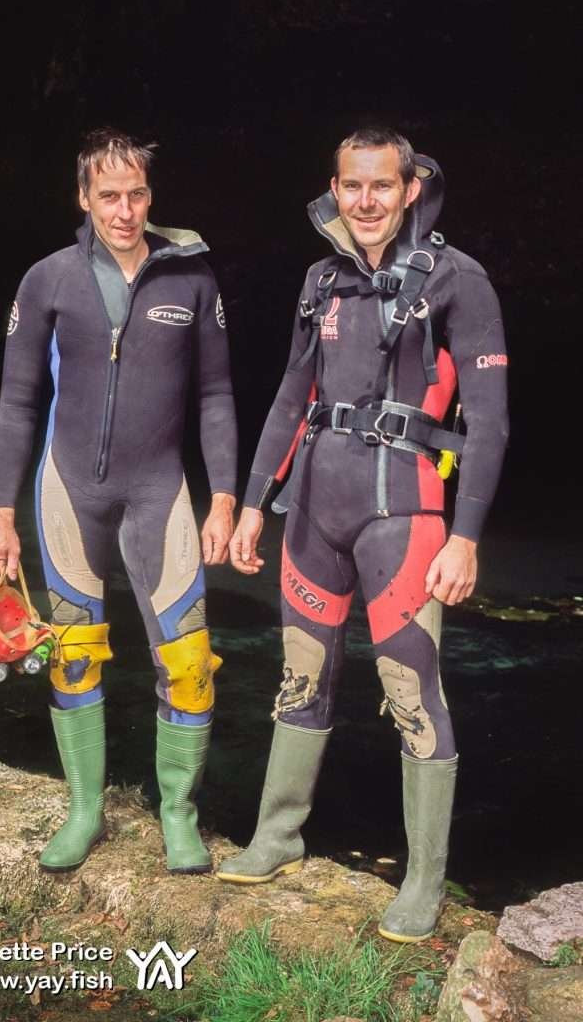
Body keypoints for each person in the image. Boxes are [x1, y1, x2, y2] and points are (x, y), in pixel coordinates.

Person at [216, 128, 508, 943]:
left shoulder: (459, 280)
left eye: (383, 185)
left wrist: (467, 537)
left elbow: (488, 426)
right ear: (334, 188)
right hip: (313, 511)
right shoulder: (320, 279)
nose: (367, 201)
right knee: (299, 681)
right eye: (353, 186)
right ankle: (277, 835)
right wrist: (251, 503)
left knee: (413, 697)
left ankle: (423, 880)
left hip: (406, 520)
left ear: (411, 187)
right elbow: (287, 397)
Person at [0, 128, 237, 875]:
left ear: (151, 197)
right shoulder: (48, 280)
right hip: (69, 494)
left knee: (189, 660)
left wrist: (223, 497)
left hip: (160, 489)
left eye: (135, 195)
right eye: (108, 196)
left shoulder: (192, 281)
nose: (123, 211)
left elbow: (217, 396)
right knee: (72, 654)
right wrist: (1, 514)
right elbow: (18, 402)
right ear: (84, 198)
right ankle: (84, 810)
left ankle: (178, 816)